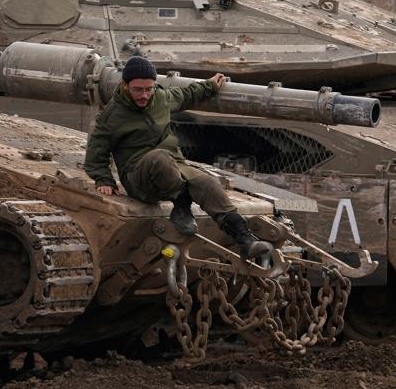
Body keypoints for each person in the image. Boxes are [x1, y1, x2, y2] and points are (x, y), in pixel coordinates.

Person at [84, 55, 271, 258]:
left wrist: (209, 86)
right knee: (159, 158)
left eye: (149, 89)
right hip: (138, 177)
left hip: (172, 164)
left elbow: (187, 95)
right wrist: (104, 179)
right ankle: (181, 208)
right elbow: (95, 154)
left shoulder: (161, 98)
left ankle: (244, 238)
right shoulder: (111, 116)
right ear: (125, 85)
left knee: (205, 182)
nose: (144, 95)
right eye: (138, 89)